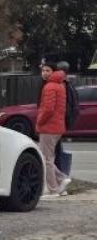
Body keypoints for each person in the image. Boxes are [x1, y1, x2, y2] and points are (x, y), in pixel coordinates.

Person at [37, 60, 72, 196]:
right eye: (43, 70)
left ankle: (53, 189)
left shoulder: (50, 86)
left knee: (46, 160)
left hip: (49, 127)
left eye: (47, 70)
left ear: (53, 72)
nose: (44, 73)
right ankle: (61, 180)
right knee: (47, 158)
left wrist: (39, 121)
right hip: (56, 127)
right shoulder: (60, 84)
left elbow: (48, 109)